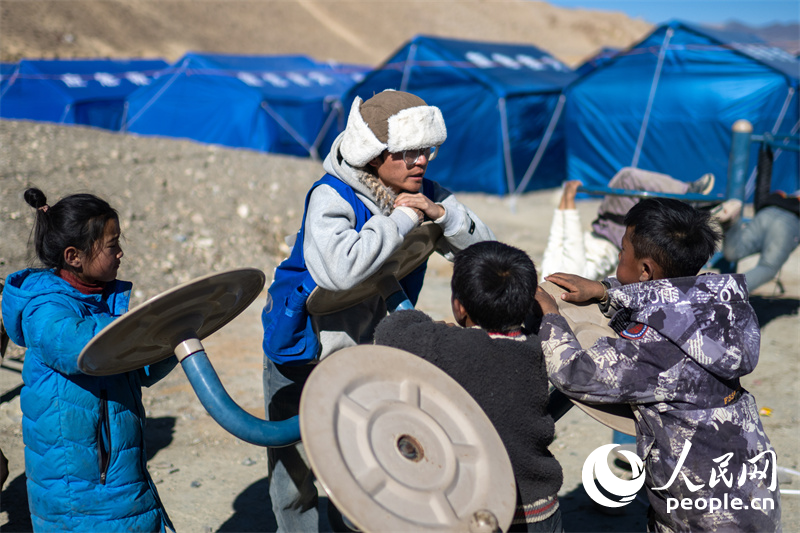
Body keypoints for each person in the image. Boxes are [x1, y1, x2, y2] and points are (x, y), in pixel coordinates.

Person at [262, 89, 495, 531]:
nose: (420, 162)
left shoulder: (423, 192)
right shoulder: (331, 196)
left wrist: (442, 215)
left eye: (425, 150)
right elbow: (339, 272)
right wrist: (403, 221)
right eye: (407, 154)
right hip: (303, 345)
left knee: (361, 456)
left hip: (370, 347)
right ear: (373, 155)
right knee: (291, 470)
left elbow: (488, 252)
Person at [535, 198, 781, 533]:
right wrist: (607, 293)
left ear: (646, 269)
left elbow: (575, 374)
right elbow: (667, 299)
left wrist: (550, 315)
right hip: (749, 492)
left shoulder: (654, 349)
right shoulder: (722, 304)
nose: (619, 257)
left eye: (623, 252)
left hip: (702, 515)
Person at [1, 188, 176, 532]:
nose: (121, 253)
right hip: (77, 487)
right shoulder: (46, 308)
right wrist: (142, 325)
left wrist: (172, 339)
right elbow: (82, 349)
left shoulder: (101, 303)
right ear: (74, 256)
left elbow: (138, 366)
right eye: (112, 245)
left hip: (112, 472)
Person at [374, 241, 563, 532]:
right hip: (539, 509)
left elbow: (391, 332)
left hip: (475, 512)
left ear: (459, 307)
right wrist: (550, 314)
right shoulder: (540, 347)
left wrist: (433, 326)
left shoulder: (446, 344)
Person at [540, 167, 715, 281]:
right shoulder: (563, 277)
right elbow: (572, 243)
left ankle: (691, 203)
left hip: (601, 232)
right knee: (627, 179)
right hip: (609, 238)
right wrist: (569, 199)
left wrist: (564, 201)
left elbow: (555, 241)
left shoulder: (548, 273)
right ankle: (688, 195)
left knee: (630, 188)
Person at [717, 191, 800, 293]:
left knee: (734, 252)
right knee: (767, 267)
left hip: (767, 211)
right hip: (789, 222)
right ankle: (727, 292)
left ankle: (732, 222)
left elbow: (763, 186)